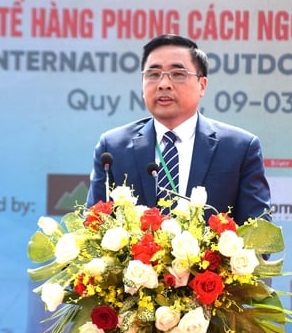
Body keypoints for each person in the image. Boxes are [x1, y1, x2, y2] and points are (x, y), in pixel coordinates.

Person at [85, 34, 271, 225]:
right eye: (153, 74)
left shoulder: (238, 149)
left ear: (202, 85)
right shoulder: (113, 148)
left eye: (178, 74)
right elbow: (93, 229)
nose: (163, 84)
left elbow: (259, 234)